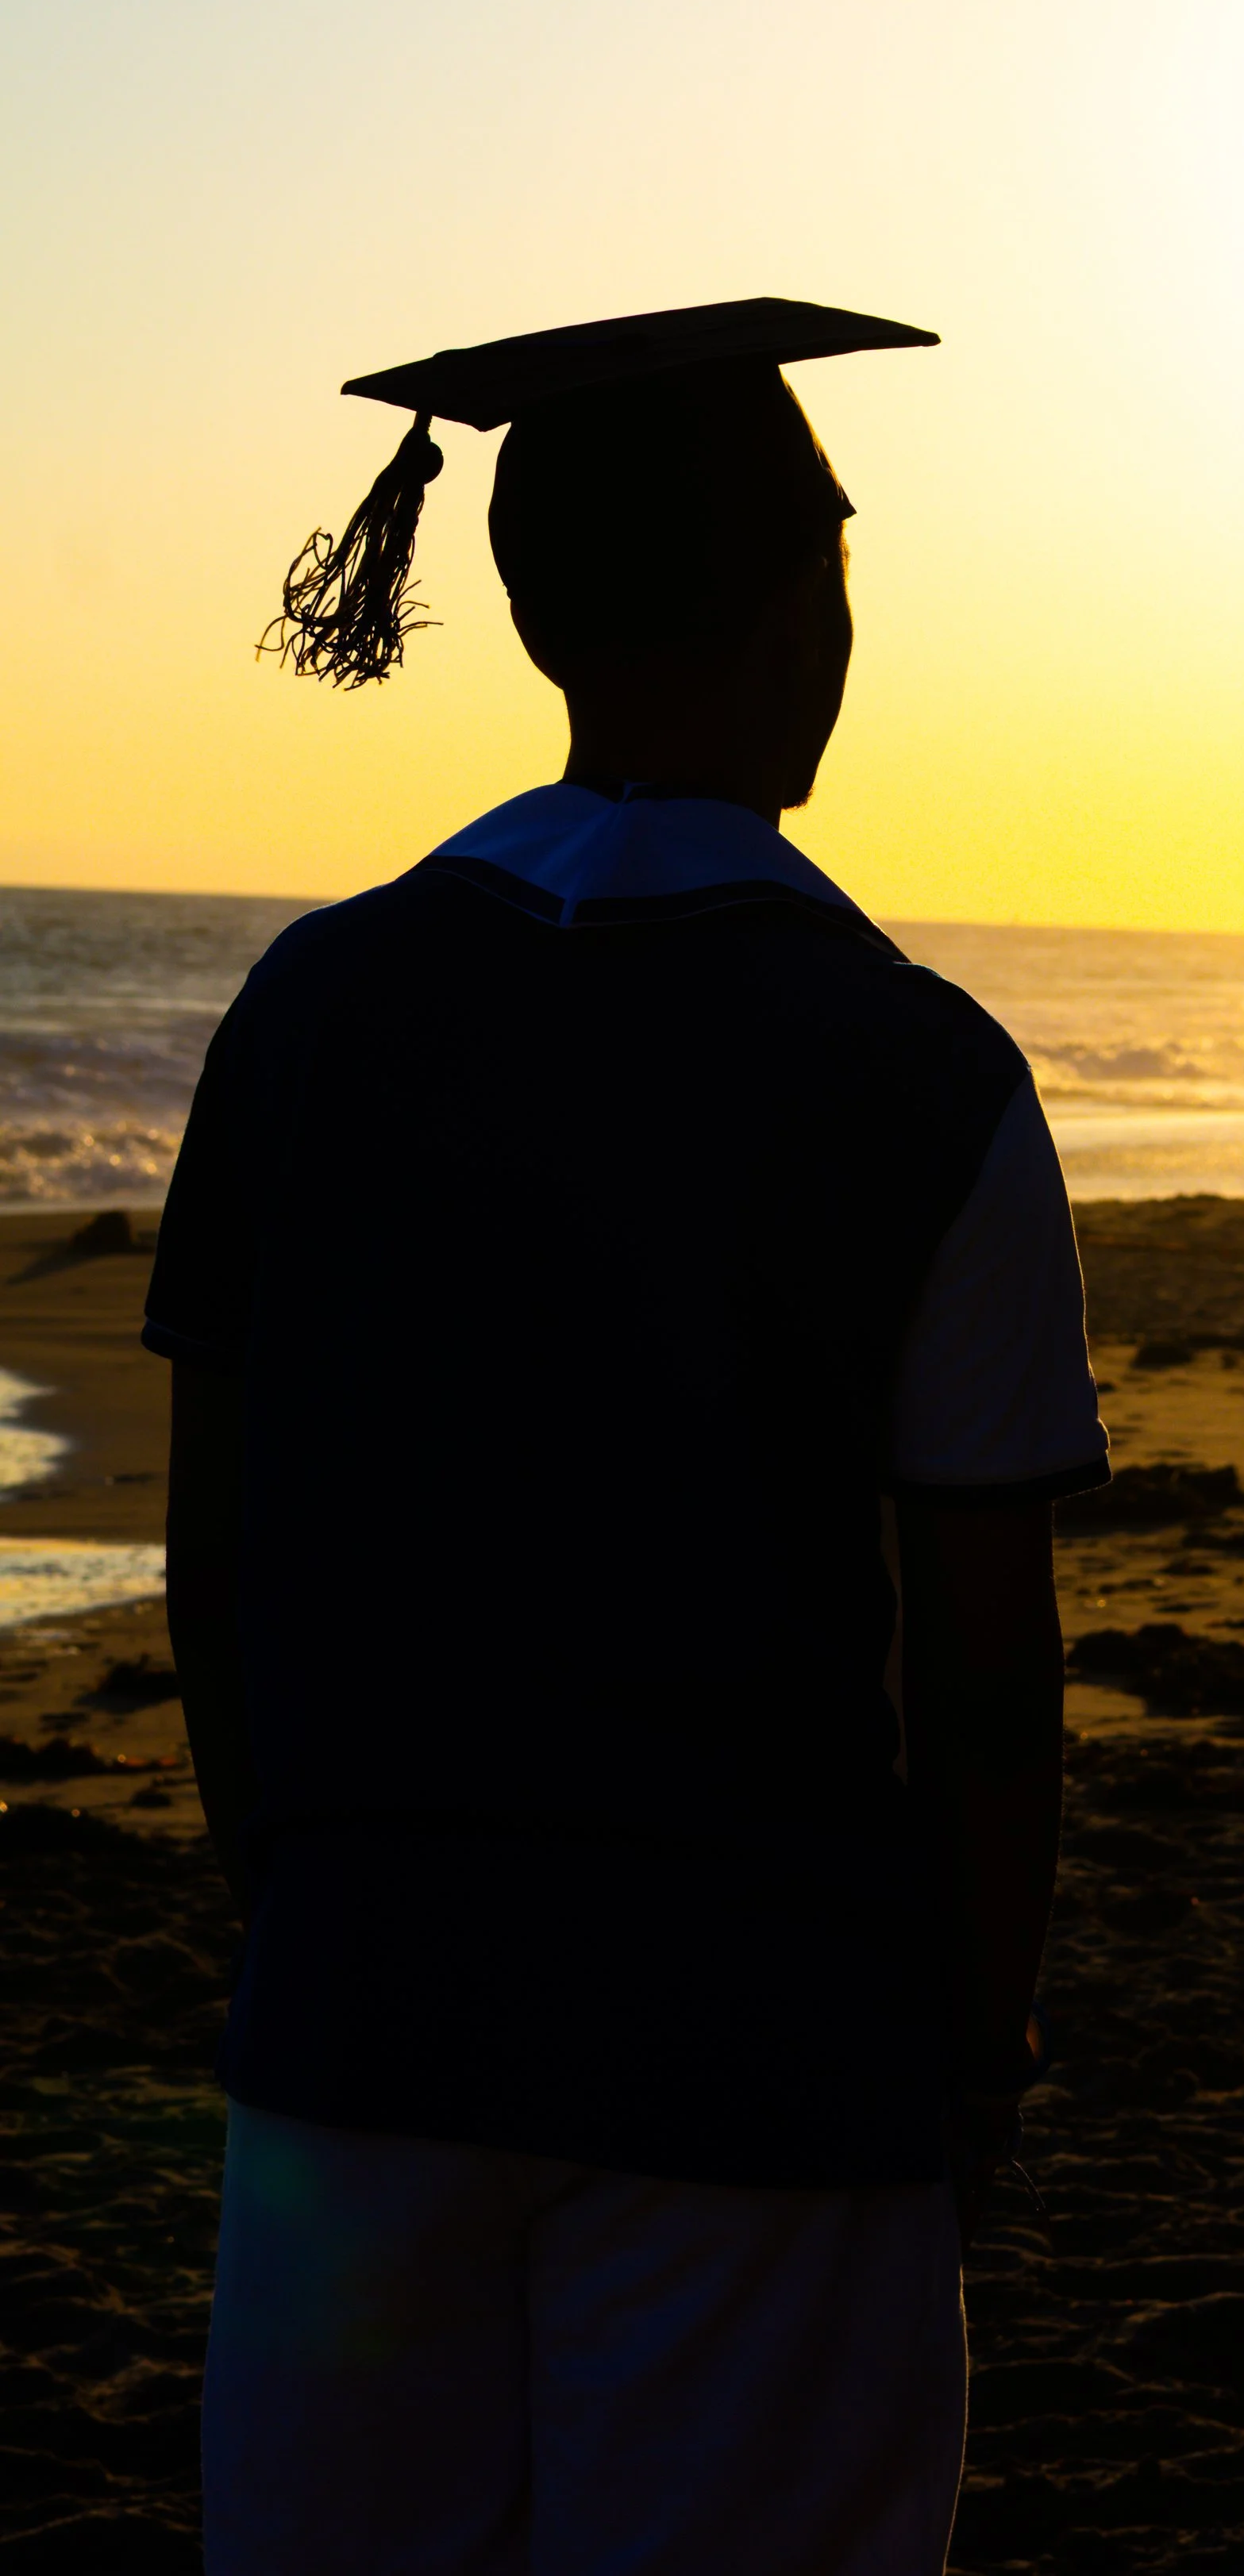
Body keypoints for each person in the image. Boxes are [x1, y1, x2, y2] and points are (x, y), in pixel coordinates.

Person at [147, 298, 1109, 2575]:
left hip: (359, 2028)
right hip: (760, 2058)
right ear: (804, 623)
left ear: (527, 614)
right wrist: (977, 2054)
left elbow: (216, 1563)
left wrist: (303, 1894)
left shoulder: (309, 1013)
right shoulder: (919, 1072)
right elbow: (982, 1672)